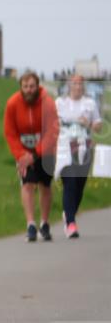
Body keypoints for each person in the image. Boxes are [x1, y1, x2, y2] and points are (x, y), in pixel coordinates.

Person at [3, 71, 59, 242]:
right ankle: (31, 224)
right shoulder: (12, 103)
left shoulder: (47, 103)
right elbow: (10, 133)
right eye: (25, 86)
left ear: (37, 86)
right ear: (21, 87)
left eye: (32, 86)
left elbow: (52, 131)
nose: (29, 90)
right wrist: (21, 155)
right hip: (24, 152)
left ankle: (44, 222)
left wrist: (34, 154)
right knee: (27, 184)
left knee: (45, 185)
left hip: (45, 151)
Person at [55, 74, 103, 238]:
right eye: (75, 83)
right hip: (64, 148)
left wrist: (88, 123)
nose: (78, 86)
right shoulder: (60, 103)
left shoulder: (89, 104)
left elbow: (98, 127)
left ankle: (69, 213)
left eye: (80, 83)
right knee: (70, 181)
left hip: (84, 148)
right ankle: (71, 224)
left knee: (79, 185)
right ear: (69, 85)